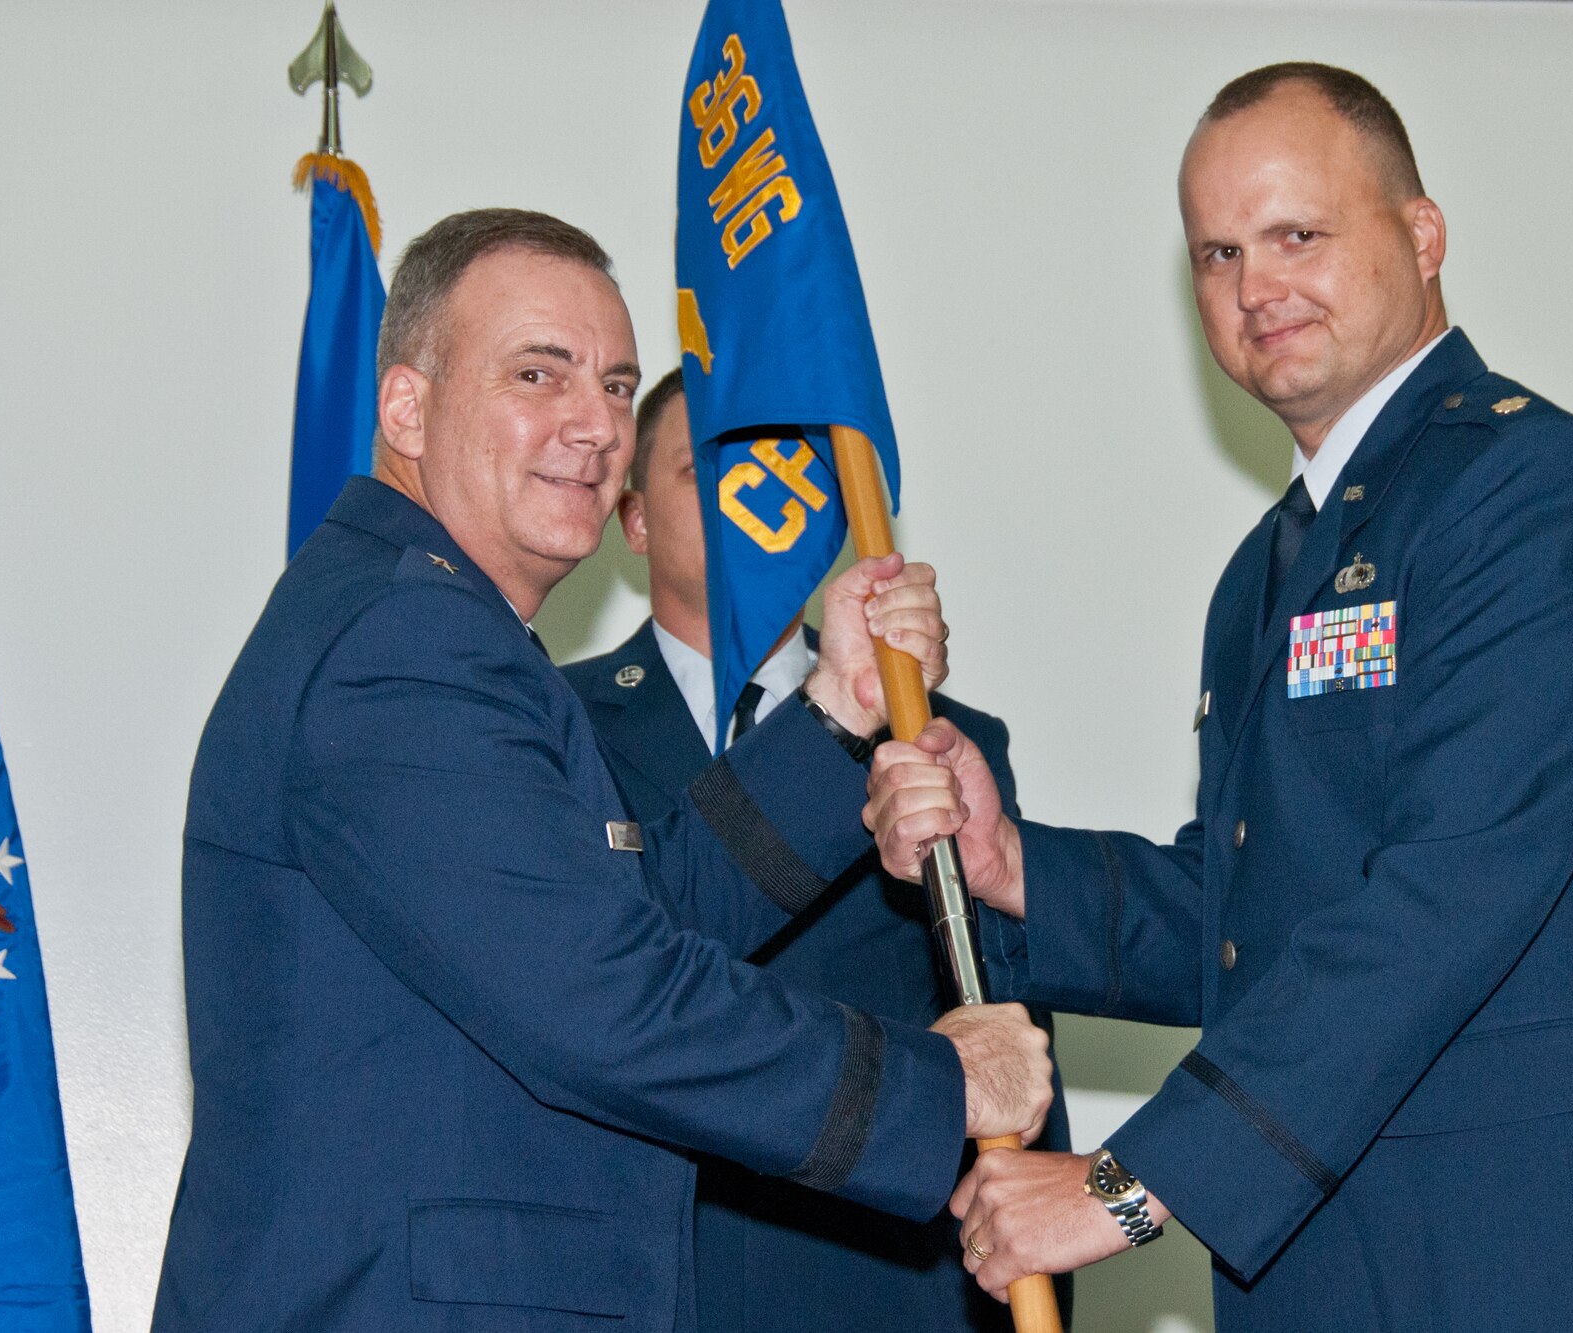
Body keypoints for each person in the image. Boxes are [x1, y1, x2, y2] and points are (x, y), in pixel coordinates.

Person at [866, 64, 1573, 1330]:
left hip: (1528, 1256)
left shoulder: (1534, 491)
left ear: (1421, 234)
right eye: (1217, 252)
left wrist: (1126, 1188)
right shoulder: (1265, 569)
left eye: (1297, 234)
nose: (1255, 286)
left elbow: (1442, 898)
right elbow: (1260, 923)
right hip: (1325, 1268)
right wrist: (1014, 868)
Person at [153, 209, 1054, 1333]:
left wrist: (836, 713)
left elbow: (628, 919)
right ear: (405, 406)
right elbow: (605, 993)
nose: (593, 426)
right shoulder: (403, 644)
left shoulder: (439, 629)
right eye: (540, 374)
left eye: (617, 387)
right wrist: (935, 1087)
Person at [562, 371, 1072, 1333]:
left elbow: (1007, 1041)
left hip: (890, 1283)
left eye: (776, 478)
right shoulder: (555, 729)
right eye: (700, 473)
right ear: (632, 520)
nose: (746, 503)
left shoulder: (940, 737)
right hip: (655, 1285)